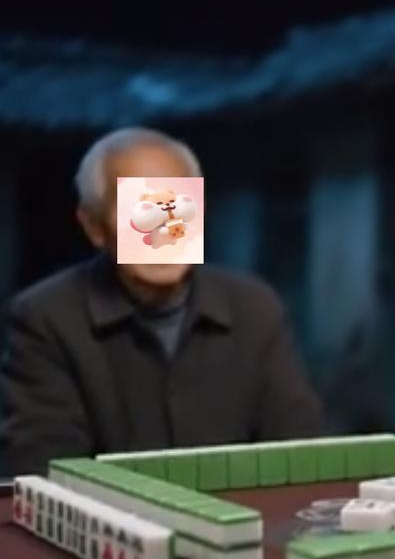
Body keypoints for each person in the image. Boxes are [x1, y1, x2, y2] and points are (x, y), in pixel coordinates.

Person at [0, 127, 325, 475]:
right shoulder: (45, 317)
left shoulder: (254, 308)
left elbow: (302, 457)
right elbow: (44, 474)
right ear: (94, 226)